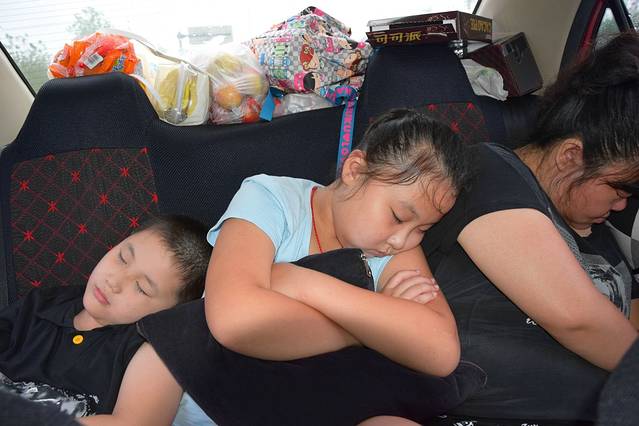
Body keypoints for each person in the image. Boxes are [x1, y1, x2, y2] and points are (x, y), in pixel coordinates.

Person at [421, 32, 639, 425]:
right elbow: (578, 320)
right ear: (571, 156)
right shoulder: (486, 174)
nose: (622, 204)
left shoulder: (599, 233)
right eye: (619, 187)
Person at [204, 108, 472, 377]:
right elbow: (234, 318)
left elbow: (441, 352)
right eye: (398, 216)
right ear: (355, 171)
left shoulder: (392, 248)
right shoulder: (271, 200)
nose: (401, 240)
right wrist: (374, 327)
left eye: (423, 229)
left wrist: (304, 284)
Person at [0, 214, 212, 425]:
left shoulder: (151, 351)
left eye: (141, 288)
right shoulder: (43, 304)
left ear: (169, 313)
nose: (114, 281)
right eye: (122, 258)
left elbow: (135, 423)